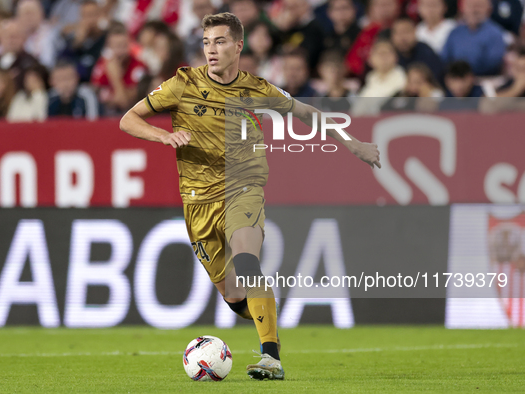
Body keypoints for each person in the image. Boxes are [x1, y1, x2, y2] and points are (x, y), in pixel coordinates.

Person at [119, 12, 380, 381]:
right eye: (207, 42)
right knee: (232, 295)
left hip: (243, 187)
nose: (211, 50)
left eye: (220, 42)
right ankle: (264, 312)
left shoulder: (257, 89)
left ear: (238, 46)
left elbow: (306, 112)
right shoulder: (182, 84)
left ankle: (270, 356)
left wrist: (354, 146)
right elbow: (128, 118)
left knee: (246, 259)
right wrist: (163, 136)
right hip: (196, 202)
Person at [90, 23, 147, 115]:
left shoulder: (138, 66)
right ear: (108, 47)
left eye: (123, 46)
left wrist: (115, 76)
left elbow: (125, 103)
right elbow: (95, 96)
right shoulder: (102, 64)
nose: (119, 52)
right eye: (116, 46)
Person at [440, 0, 506, 76]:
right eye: (470, 6)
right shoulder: (455, 32)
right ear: (463, 8)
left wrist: (467, 75)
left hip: (484, 80)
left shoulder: (495, 33)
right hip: (455, 79)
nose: (474, 10)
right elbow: (445, 59)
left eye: (478, 6)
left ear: (489, 9)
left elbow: (493, 64)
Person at [390, 17, 444, 82]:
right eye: (398, 33)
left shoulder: (426, 53)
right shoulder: (390, 53)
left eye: (406, 32)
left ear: (415, 32)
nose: (402, 38)